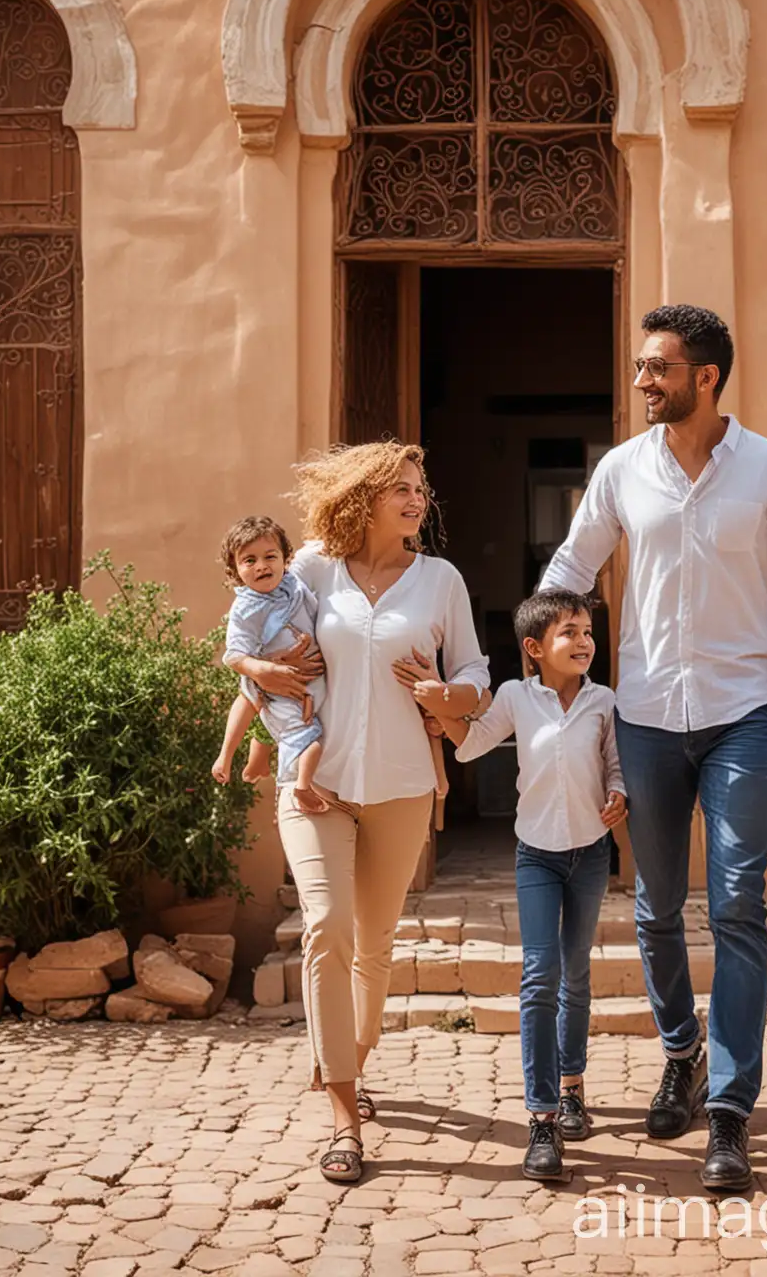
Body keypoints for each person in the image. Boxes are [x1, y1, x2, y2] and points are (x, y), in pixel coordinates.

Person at [540, 303, 767, 1193]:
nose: (640, 381)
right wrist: (541, 659)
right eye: (640, 365)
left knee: (739, 904)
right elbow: (570, 570)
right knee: (658, 908)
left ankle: (731, 1113)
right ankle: (683, 1051)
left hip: (744, 712)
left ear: (705, 378)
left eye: (656, 367)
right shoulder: (623, 472)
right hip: (647, 718)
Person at [225, 442, 486, 1184]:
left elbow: (474, 672)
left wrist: (448, 696)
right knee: (327, 927)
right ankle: (344, 1117)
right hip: (317, 784)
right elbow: (247, 629)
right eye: (399, 489)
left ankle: (352, 1064)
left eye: (419, 490)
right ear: (361, 498)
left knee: (374, 945)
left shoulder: (441, 581)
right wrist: (259, 673)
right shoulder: (308, 568)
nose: (415, 500)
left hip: (402, 785)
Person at [442, 591, 628, 1181]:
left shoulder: (604, 700)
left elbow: (616, 762)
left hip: (591, 856)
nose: (583, 641)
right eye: (569, 631)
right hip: (537, 858)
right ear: (534, 648)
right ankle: (543, 1119)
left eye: (587, 631)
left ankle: (573, 1085)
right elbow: (470, 744)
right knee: (540, 974)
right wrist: (434, 700)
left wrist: (620, 794)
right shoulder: (515, 697)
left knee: (576, 973)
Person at [210, 515, 325, 794]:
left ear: (286, 559)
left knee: (278, 716)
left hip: (307, 673)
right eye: (249, 560)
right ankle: (227, 756)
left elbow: (320, 547)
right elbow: (235, 655)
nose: (261, 566)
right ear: (235, 571)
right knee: (252, 698)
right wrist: (261, 670)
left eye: (269, 556)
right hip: (268, 675)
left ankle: (258, 762)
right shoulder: (246, 607)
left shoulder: (293, 585)